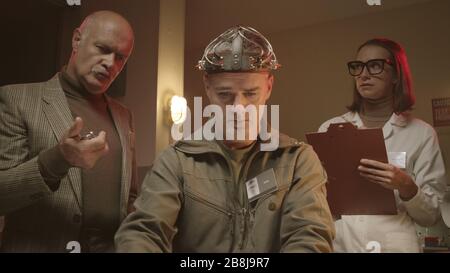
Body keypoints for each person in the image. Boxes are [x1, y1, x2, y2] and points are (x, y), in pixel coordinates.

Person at [115, 26, 335, 253]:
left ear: (268, 86)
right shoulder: (176, 160)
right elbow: (145, 231)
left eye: (250, 93)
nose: (238, 108)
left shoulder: (298, 160)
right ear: (207, 87)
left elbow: (309, 237)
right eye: (225, 95)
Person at [0, 10, 138, 252]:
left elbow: (131, 198)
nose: (110, 63)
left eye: (120, 58)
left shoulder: (124, 115)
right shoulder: (16, 99)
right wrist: (58, 160)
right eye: (103, 48)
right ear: (77, 40)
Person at [319, 38, 447, 252]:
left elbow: (430, 216)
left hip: (395, 245)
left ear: (396, 74)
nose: (363, 74)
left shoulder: (421, 134)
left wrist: (406, 186)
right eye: (358, 66)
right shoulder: (329, 129)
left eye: (375, 65)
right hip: (341, 244)